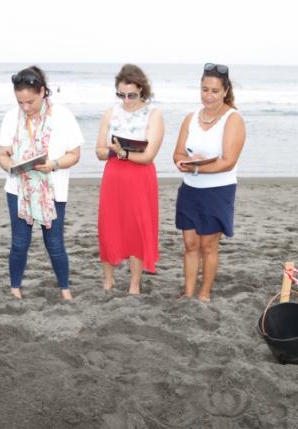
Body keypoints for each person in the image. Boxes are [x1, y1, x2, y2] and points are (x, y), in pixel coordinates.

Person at [0, 66, 83, 300]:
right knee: (19, 242)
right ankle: (15, 289)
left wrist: (53, 164)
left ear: (43, 91)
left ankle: (65, 290)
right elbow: (3, 154)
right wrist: (12, 166)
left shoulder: (62, 116)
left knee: (54, 243)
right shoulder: (11, 117)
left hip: (52, 189)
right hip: (18, 189)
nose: (25, 107)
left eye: (30, 102)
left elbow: (75, 154)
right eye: (20, 102)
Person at [171, 63, 247, 302]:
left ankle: (204, 294)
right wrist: (187, 163)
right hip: (190, 190)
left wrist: (195, 167)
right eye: (205, 90)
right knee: (190, 244)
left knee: (208, 246)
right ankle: (189, 292)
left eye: (214, 91)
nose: (209, 96)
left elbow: (228, 162)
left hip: (218, 191)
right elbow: (177, 155)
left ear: (225, 91)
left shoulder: (233, 119)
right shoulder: (191, 118)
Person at [95, 64, 164, 294]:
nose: (126, 100)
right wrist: (115, 151)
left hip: (140, 178)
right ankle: (108, 281)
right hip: (114, 175)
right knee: (109, 225)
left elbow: (148, 156)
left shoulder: (153, 114)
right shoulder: (110, 112)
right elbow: (99, 151)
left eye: (131, 95)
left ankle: (134, 284)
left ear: (142, 90)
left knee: (136, 227)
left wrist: (125, 153)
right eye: (121, 94)